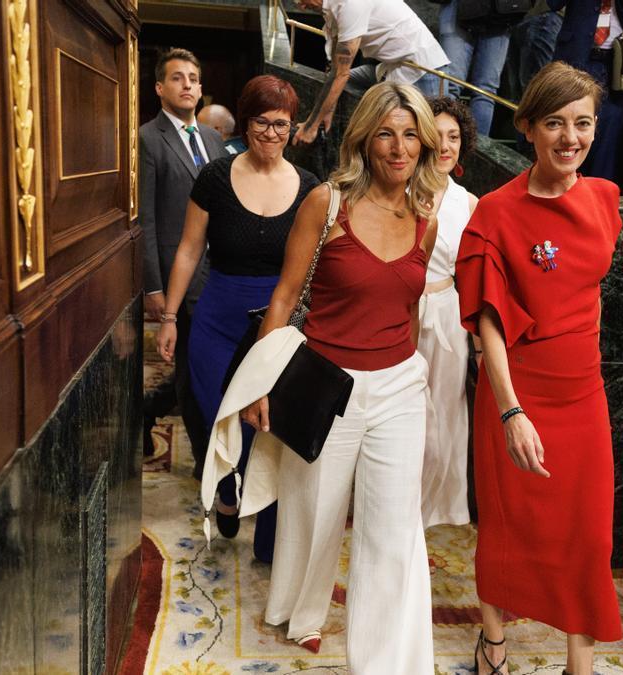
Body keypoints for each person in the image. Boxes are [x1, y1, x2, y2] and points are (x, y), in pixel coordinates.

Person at [241, 82, 445, 669]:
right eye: (386, 132)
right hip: (328, 383)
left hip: (400, 387)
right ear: (364, 138)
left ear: (425, 146)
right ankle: (299, 610)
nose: (399, 147)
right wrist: (261, 384)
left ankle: (381, 662)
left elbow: (406, 307)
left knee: (391, 532)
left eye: (411, 135)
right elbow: (283, 297)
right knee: (315, 510)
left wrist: (410, 373)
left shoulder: (426, 220)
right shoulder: (326, 203)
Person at [454, 61, 622, 675]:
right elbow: (488, 324)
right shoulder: (496, 212)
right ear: (527, 127)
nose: (570, 138)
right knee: (509, 524)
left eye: (582, 124)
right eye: (555, 123)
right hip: (517, 392)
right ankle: (494, 638)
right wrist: (510, 410)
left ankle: (579, 657)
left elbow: (588, 293)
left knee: (588, 533)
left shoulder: (606, 200)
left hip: (584, 391)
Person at [156, 75, 317, 562]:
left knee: (268, 429)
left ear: (293, 129)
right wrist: (169, 316)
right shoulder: (214, 178)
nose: (271, 134)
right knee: (217, 413)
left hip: (277, 324)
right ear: (245, 125)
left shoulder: (309, 188)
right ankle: (227, 488)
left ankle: (269, 537)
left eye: (282, 125)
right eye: (262, 123)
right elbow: (188, 250)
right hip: (217, 320)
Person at [140, 48, 225, 476]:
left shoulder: (212, 138)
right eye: (177, 78)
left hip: (222, 275)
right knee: (191, 375)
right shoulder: (148, 139)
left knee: (214, 369)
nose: (188, 84)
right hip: (180, 278)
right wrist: (153, 287)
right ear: (160, 88)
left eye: (193, 77)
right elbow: (147, 219)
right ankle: (204, 462)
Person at [419, 96, 479, 529]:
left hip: (448, 317)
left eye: (454, 137)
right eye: (437, 135)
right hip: (398, 315)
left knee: (445, 416)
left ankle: (431, 509)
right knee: (405, 417)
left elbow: (475, 276)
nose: (445, 145)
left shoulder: (470, 204)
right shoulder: (399, 191)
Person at [291, 0, 449, 146]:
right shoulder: (331, 8)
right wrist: (328, 111)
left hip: (422, 69)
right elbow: (335, 67)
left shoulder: (349, 4)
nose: (301, 6)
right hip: (391, 66)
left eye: (301, 0)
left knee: (429, 141)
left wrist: (311, 126)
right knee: (348, 82)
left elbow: (340, 73)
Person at [548, 0, 623, 180]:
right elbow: (553, 4)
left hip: (616, 63)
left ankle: (596, 196)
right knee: (569, 129)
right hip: (576, 56)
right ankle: (561, 187)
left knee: (607, 140)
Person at [438, 2, 511, 136]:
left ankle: (475, 152)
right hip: (494, 12)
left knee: (458, 87)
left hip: (498, 14)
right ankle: (444, 144)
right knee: (481, 91)